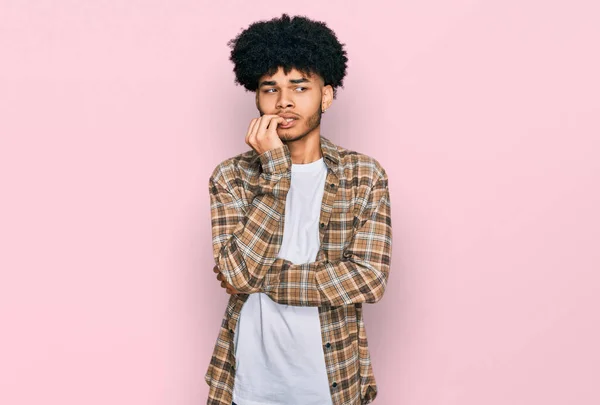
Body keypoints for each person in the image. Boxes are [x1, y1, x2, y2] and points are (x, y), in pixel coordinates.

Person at [205, 13, 393, 405]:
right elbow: (239, 274)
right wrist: (275, 172)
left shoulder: (363, 176)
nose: (284, 101)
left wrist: (268, 281)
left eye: (299, 87)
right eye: (269, 88)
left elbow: (369, 278)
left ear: (325, 95)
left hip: (332, 385)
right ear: (257, 97)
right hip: (246, 387)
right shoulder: (231, 177)